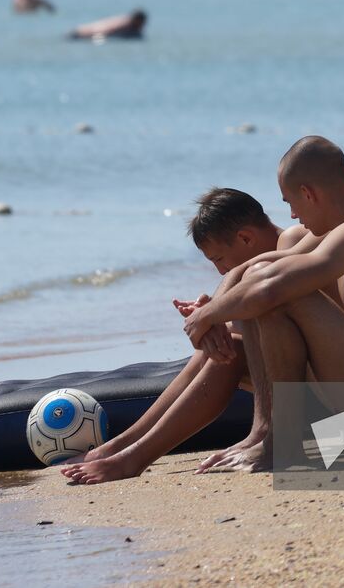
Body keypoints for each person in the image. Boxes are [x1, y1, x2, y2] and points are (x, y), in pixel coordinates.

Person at [178, 137, 344, 469]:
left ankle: (281, 444)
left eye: (291, 202)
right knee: (262, 289)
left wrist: (207, 316)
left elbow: (272, 287)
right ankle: (265, 434)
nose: (292, 214)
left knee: (281, 294)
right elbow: (263, 268)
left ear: (308, 193)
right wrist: (215, 308)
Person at [61, 188, 307, 484]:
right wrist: (216, 319)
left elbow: (263, 291)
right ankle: (120, 446)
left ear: (245, 238)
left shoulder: (294, 239)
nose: (220, 270)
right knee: (215, 349)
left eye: (219, 258)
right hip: (302, 379)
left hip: (334, 392)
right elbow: (267, 322)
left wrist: (215, 313)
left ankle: (134, 457)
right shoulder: (264, 265)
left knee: (231, 352)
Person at [68, 9, 147, 41]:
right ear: (139, 21)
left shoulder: (123, 20)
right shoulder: (126, 26)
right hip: (80, 34)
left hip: (79, 31)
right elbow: (104, 32)